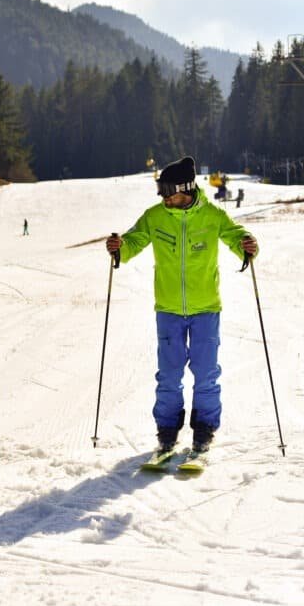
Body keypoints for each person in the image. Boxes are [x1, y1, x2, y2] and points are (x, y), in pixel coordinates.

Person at [105, 156, 258, 455]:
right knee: (169, 373)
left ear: (186, 189)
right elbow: (134, 241)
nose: (167, 200)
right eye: (163, 195)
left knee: (206, 372)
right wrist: (121, 247)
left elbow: (235, 235)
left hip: (205, 308)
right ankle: (167, 428)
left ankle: (204, 427)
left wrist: (247, 244)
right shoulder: (155, 217)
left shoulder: (212, 216)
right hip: (169, 308)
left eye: (171, 194)